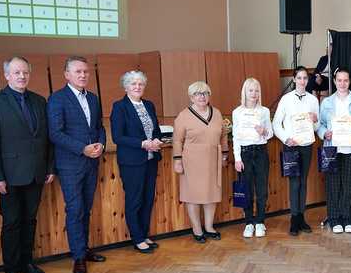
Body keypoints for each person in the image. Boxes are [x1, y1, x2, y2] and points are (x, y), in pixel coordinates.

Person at [0, 56, 55, 273]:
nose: (22, 76)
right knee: (11, 224)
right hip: (9, 177)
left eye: (25, 72)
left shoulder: (39, 101)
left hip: (36, 173)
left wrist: (50, 168)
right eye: (17, 72)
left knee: (30, 221)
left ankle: (26, 263)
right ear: (7, 75)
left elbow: (47, 139)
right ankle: (10, 271)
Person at [48, 56, 107, 273]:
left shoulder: (93, 98)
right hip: (71, 164)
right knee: (75, 210)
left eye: (85, 71)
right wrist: (82, 148)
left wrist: (101, 143)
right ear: (67, 75)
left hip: (91, 163)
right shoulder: (57, 99)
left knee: (86, 208)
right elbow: (55, 133)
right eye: (77, 71)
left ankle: (84, 248)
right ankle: (78, 257)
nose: (83, 75)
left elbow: (99, 127)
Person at [110, 70, 163, 253]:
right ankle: (137, 238)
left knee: (148, 198)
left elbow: (155, 129)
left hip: (150, 160)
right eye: (133, 84)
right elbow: (118, 137)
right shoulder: (119, 107)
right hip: (132, 162)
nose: (137, 87)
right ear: (126, 87)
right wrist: (142, 143)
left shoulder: (149, 105)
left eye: (140, 84)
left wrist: (156, 140)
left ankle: (144, 234)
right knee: (135, 200)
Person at [173, 81, 229, 243]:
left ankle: (209, 227)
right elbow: (177, 140)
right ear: (191, 97)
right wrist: (177, 160)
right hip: (192, 160)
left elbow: (224, 135)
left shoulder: (217, 113)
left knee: (211, 194)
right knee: (193, 196)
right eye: (198, 94)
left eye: (205, 93)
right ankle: (197, 229)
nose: (202, 97)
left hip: (213, 158)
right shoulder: (183, 116)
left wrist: (224, 154)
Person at [317, 67, 351, 233]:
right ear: (334, 81)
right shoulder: (326, 103)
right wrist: (324, 133)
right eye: (339, 80)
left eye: (345, 80)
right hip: (332, 149)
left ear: (349, 81)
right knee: (332, 186)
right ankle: (333, 219)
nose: (342, 83)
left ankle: (347, 218)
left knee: (350, 186)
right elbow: (320, 125)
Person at [273, 66, 319, 236]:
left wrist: (315, 120)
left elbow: (316, 126)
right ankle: (293, 218)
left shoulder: (313, 100)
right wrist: (286, 139)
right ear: (293, 79)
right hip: (291, 145)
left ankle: (301, 217)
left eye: (305, 78)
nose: (302, 81)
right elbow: (276, 124)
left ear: (308, 80)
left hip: (307, 144)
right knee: (294, 182)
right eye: (299, 78)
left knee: (304, 181)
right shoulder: (286, 99)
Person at [232, 78, 273, 238]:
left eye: (256, 90)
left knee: (262, 189)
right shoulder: (237, 112)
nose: (254, 94)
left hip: (261, 152)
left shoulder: (264, 111)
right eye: (251, 90)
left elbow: (270, 133)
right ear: (245, 92)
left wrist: (264, 131)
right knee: (246, 189)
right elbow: (235, 137)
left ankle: (260, 222)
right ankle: (249, 222)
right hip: (245, 154)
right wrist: (237, 158)